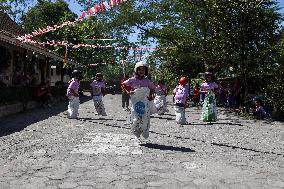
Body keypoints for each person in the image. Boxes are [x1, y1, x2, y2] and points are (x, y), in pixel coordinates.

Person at [122, 61, 156, 139]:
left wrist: (152, 95)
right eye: (139, 70)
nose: (141, 71)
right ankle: (136, 131)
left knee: (145, 118)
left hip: (145, 103)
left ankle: (145, 131)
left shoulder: (147, 81)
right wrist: (128, 91)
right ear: (136, 70)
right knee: (135, 118)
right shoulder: (132, 80)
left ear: (146, 71)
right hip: (135, 103)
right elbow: (123, 84)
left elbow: (153, 88)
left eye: (143, 70)